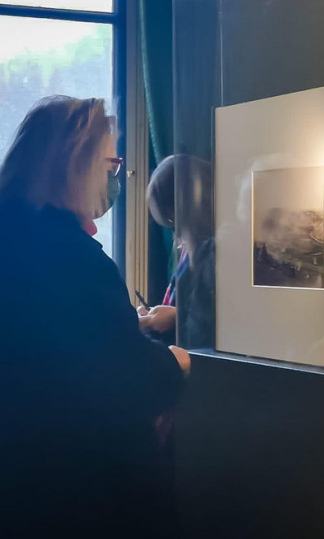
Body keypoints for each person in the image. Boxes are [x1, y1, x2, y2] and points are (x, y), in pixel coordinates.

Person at [0, 96, 190, 538]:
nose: (116, 175)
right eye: (111, 162)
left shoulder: (16, 233)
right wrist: (172, 363)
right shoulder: (71, 255)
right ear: (75, 165)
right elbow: (120, 376)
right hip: (76, 481)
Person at [139, 154, 215, 349]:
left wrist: (175, 318)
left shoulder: (213, 254)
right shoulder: (192, 252)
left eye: (171, 221)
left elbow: (210, 327)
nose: (176, 233)